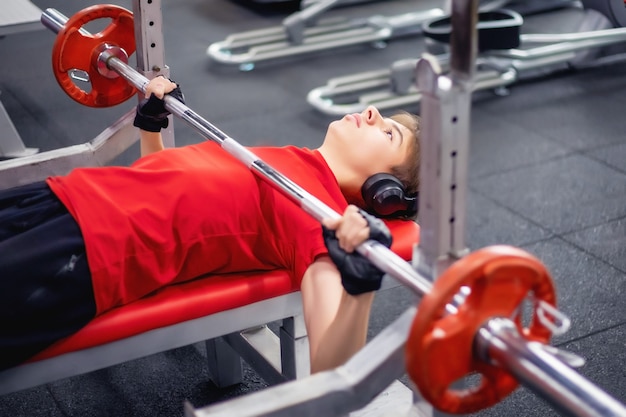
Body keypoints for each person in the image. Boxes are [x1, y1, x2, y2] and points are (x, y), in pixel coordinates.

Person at [0, 77, 421, 373]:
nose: (372, 111)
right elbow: (170, 191)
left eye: (388, 135)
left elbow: (332, 369)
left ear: (382, 191)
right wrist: (152, 125)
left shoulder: (319, 216)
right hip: (63, 196)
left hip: (87, 250)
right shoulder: (291, 160)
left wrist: (360, 287)